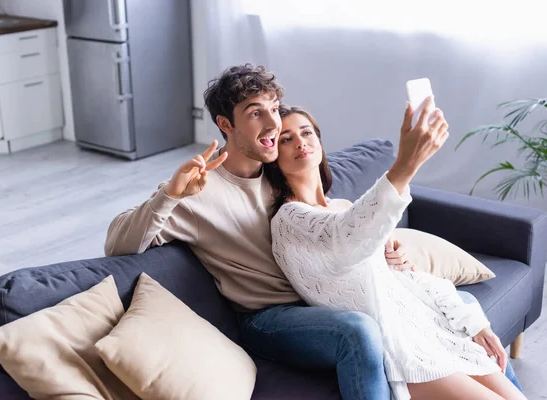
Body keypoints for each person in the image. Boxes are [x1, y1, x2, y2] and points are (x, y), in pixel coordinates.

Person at [104, 64, 522, 399]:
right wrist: (170, 195)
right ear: (224, 124)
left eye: (275, 108)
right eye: (256, 113)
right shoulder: (200, 189)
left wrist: (385, 249)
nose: (273, 124)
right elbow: (118, 243)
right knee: (358, 331)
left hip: (320, 295)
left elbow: (343, 228)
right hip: (269, 315)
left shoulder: (282, 174)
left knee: (456, 322)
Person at [266, 103, 527, 400]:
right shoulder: (289, 220)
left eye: (306, 132)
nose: (301, 142)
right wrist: (406, 163)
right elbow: (345, 238)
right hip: (404, 349)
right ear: (274, 157)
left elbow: (409, 280)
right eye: (286, 138)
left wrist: (474, 323)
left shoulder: (344, 208)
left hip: (433, 330)